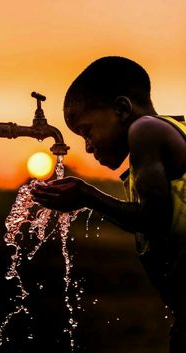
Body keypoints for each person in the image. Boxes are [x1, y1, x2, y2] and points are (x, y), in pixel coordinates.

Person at [31, 56, 186, 353]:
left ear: (121, 109)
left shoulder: (145, 131)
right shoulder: (171, 129)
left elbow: (154, 219)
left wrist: (86, 195)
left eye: (88, 131)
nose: (88, 147)